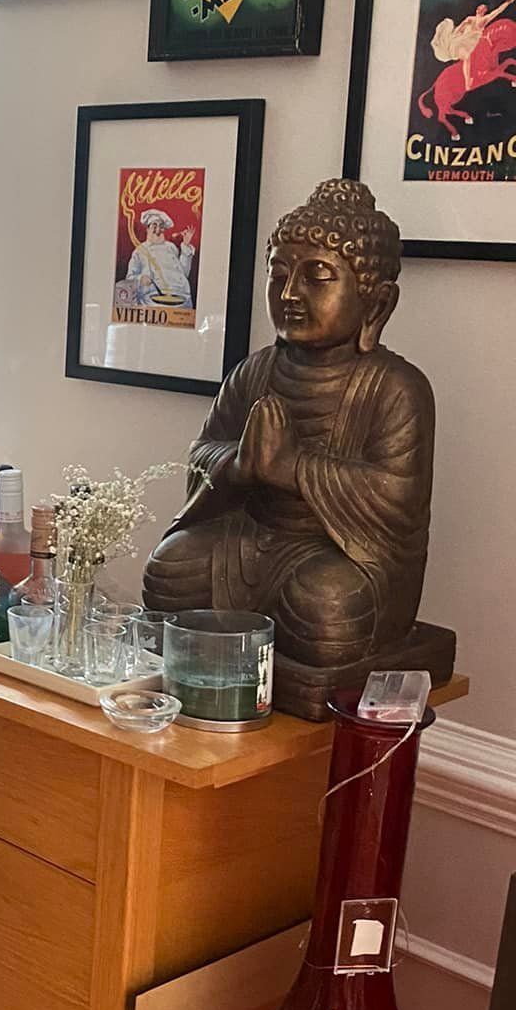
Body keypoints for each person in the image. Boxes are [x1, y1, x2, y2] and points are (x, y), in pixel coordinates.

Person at [143, 180, 436, 711]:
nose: (290, 294)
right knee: (169, 568)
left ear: (376, 301)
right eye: (278, 276)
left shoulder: (395, 388)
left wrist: (295, 468)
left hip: (337, 557)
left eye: (316, 278)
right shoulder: (256, 370)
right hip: (248, 539)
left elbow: (399, 499)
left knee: (326, 609)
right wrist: (237, 465)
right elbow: (203, 452)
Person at [125, 209, 195, 311]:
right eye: (154, 226)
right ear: (147, 229)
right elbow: (129, 278)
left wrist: (186, 246)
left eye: (161, 226)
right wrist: (140, 279)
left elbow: (183, 273)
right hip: (153, 302)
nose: (158, 229)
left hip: (183, 299)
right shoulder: (140, 251)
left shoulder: (171, 248)